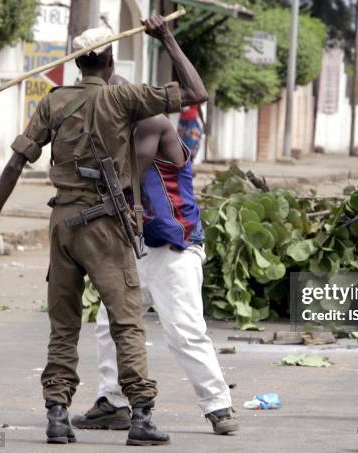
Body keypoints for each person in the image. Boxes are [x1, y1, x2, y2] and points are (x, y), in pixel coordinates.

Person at [0, 16, 208, 446]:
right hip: (104, 225)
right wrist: (168, 38)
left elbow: (14, 164)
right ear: (111, 59)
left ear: (78, 62)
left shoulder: (53, 102)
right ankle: (140, 417)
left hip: (62, 223)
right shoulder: (124, 98)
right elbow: (197, 93)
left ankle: (57, 417)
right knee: (126, 322)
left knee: (64, 325)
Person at [71, 107, 238, 435]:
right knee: (109, 325)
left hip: (173, 250)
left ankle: (218, 406)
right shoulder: (113, 133)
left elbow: (132, 170)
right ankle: (113, 402)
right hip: (136, 249)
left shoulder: (152, 124)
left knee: (185, 332)